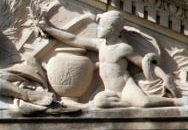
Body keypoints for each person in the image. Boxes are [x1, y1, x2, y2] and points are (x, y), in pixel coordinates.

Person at [36, 10, 186, 108]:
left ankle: (175, 102)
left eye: (101, 26)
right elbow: (73, 39)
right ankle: (126, 104)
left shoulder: (123, 48)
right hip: (110, 91)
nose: (97, 29)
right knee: (99, 102)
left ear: (112, 30)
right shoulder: (101, 44)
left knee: (144, 103)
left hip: (125, 87)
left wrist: (165, 77)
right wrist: (49, 28)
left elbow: (145, 64)